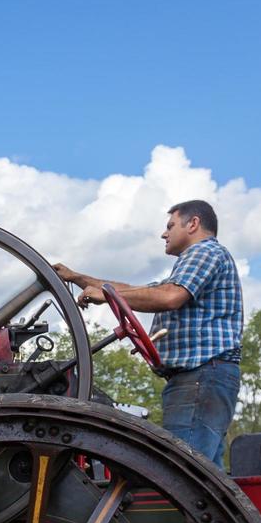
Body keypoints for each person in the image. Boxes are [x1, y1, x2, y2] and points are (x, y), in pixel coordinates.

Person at [53, 200, 242, 468]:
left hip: (201, 378)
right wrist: (76, 277)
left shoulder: (204, 253)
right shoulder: (190, 265)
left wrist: (108, 296)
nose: (164, 234)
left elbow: (169, 296)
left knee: (183, 474)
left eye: (170, 226)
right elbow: (135, 289)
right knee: (206, 475)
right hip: (202, 379)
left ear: (193, 224)